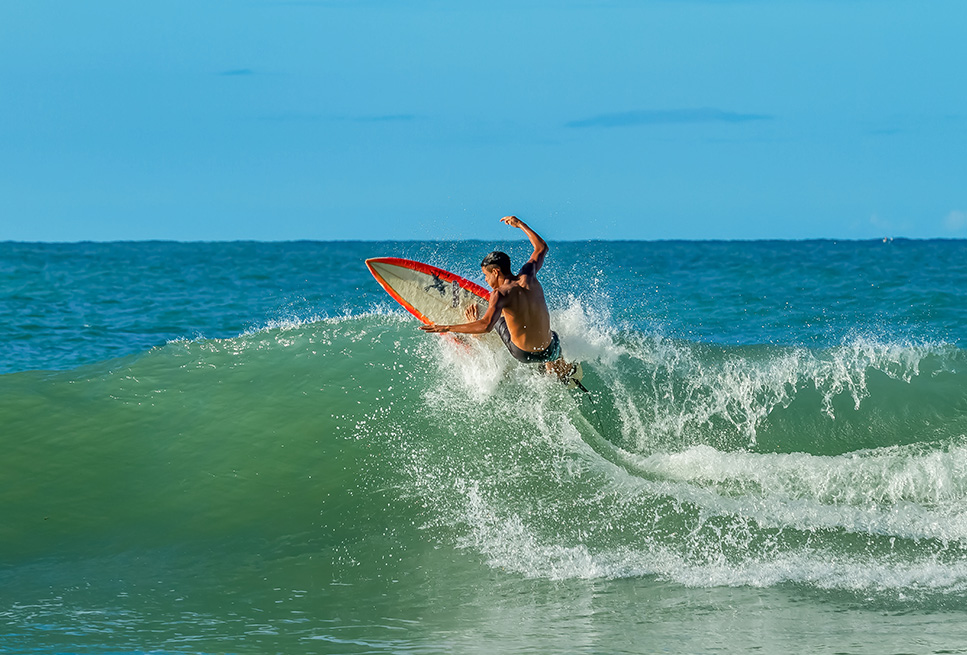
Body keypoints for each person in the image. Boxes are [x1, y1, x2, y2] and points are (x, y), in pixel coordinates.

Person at [419, 216, 571, 377]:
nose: (485, 279)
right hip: (548, 350)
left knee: (498, 317)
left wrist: (447, 327)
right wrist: (520, 224)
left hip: (523, 354)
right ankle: (556, 368)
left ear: (496, 272)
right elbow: (541, 247)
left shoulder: (500, 294)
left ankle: (476, 336)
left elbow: (486, 326)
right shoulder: (529, 275)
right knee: (553, 335)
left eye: (486, 275)